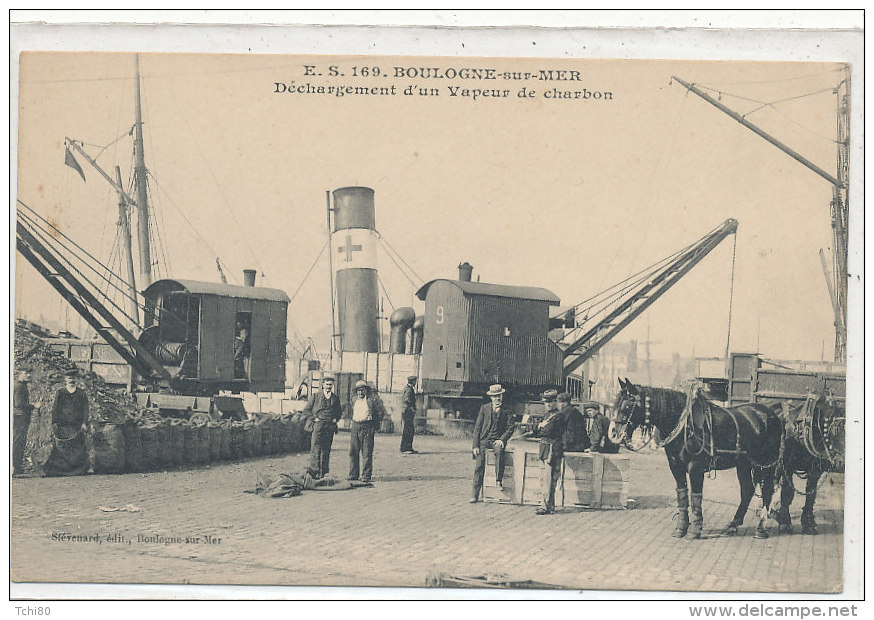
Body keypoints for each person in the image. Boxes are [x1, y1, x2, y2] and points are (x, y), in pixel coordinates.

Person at [470, 383, 515, 503]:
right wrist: (475, 445)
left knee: (500, 453)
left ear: (502, 396)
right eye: (495, 397)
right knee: (479, 466)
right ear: (491, 397)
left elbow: (511, 427)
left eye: (499, 396)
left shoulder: (507, 410)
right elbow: (478, 428)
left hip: (497, 440)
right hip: (484, 440)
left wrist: (502, 440)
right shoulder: (484, 408)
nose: (497, 399)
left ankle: (498, 480)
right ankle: (474, 494)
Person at [42, 369, 90, 477]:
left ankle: (76, 469)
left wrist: (84, 423)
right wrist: (54, 423)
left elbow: (85, 409)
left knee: (77, 448)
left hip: (76, 426)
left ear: (76, 379)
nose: (71, 380)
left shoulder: (81, 394)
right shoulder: (61, 392)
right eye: (69, 378)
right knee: (61, 449)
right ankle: (61, 469)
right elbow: (55, 408)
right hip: (63, 425)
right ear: (65, 379)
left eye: (73, 378)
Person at [302, 373, 342, 478]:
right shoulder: (315, 396)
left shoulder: (335, 398)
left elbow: (339, 412)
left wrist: (335, 419)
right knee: (315, 449)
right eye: (327, 384)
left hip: (330, 427)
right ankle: (314, 473)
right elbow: (306, 411)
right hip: (318, 426)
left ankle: (324, 473)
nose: (328, 386)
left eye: (330, 385)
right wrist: (314, 418)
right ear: (323, 385)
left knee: (326, 450)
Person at [348, 380, 385, 483]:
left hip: (367, 427)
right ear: (356, 392)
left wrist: (374, 425)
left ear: (366, 391)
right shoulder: (354, 400)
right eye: (358, 391)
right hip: (355, 426)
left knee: (367, 452)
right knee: (353, 452)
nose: (360, 393)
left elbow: (380, 412)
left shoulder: (371, 400)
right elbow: (350, 411)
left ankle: (366, 476)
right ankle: (353, 474)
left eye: (362, 390)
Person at [536, 389, 566, 515]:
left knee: (548, 479)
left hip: (551, 450)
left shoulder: (558, 416)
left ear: (555, 402)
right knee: (544, 478)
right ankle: (550, 506)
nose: (548, 404)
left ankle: (545, 505)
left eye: (551, 402)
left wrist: (541, 427)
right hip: (544, 449)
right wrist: (540, 427)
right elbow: (537, 430)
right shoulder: (547, 415)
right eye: (546, 402)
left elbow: (547, 431)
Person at [13, 370, 36, 476]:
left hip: (20, 417)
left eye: (29, 373)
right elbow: (19, 404)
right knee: (18, 442)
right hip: (19, 417)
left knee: (19, 442)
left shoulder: (20, 386)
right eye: (26, 373)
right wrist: (34, 406)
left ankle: (17, 466)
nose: (28, 375)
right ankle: (15, 467)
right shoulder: (19, 387)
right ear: (20, 375)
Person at [400, 375, 417, 454]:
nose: (415, 383)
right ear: (412, 381)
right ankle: (406, 448)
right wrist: (412, 408)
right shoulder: (409, 390)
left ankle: (407, 447)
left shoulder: (407, 388)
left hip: (406, 411)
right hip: (408, 412)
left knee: (408, 429)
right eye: (415, 381)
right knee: (409, 430)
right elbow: (407, 400)